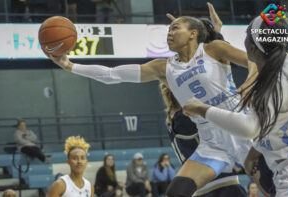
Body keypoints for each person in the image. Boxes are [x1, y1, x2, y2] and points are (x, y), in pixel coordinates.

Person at [48, 1, 257, 195]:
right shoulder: (163, 67)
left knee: (273, 184)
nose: (169, 32)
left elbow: (255, 61)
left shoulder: (213, 49)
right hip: (212, 141)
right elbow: (113, 75)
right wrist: (70, 66)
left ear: (193, 33)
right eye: (169, 29)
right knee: (175, 192)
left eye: (175, 28)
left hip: (241, 127)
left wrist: (249, 83)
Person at [182, 15, 288, 196]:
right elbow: (280, 123)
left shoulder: (272, 83)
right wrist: (254, 152)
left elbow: (249, 128)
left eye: (246, 34)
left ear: (252, 48)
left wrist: (202, 109)